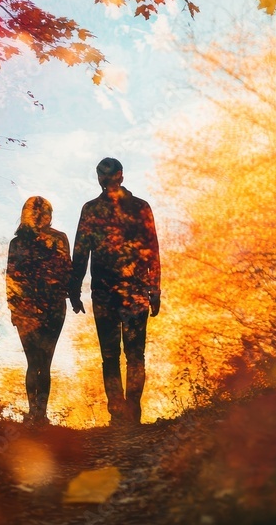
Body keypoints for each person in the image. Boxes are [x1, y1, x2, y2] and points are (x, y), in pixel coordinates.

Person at [70, 158, 161, 425]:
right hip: (126, 292)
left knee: (114, 356)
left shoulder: (95, 209)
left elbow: (81, 252)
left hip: (110, 293)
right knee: (132, 356)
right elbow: (151, 251)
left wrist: (74, 289)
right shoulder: (138, 207)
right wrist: (154, 288)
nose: (106, 180)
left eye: (106, 175)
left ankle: (122, 413)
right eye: (104, 176)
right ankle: (127, 412)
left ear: (116, 176)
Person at [6, 196, 71, 426]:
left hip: (38, 308)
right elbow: (12, 277)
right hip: (41, 308)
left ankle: (36, 413)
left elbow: (12, 277)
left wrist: (14, 307)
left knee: (37, 362)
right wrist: (15, 308)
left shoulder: (20, 243)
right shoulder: (54, 239)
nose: (43, 216)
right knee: (40, 362)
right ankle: (38, 414)